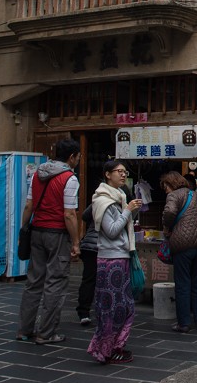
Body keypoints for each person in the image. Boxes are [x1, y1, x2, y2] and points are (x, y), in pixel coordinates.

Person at [17, 138, 82, 345]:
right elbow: (69, 214)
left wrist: (24, 230)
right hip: (57, 234)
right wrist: (75, 242)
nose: (78, 161)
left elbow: (28, 206)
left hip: (36, 231)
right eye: (78, 157)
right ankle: (46, 333)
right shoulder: (69, 178)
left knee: (34, 281)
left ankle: (24, 330)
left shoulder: (38, 174)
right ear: (71, 157)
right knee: (55, 282)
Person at [87, 159, 143, 364]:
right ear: (107, 174)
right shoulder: (103, 200)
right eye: (118, 171)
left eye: (125, 171)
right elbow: (111, 231)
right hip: (111, 260)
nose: (123, 174)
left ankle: (115, 346)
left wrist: (131, 210)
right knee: (113, 308)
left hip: (120, 257)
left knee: (124, 306)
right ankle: (107, 349)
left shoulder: (118, 197)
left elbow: (121, 225)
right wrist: (128, 210)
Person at [161, 170, 197, 333]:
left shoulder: (174, 195)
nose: (165, 190)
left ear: (171, 184)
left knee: (183, 284)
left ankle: (183, 323)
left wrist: (167, 225)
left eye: (165, 187)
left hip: (184, 246)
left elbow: (170, 212)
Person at [75, 204, 97, 326]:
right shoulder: (119, 201)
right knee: (97, 280)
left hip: (89, 245)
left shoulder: (97, 199)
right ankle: (86, 310)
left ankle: (84, 311)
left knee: (88, 279)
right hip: (102, 246)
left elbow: (84, 216)